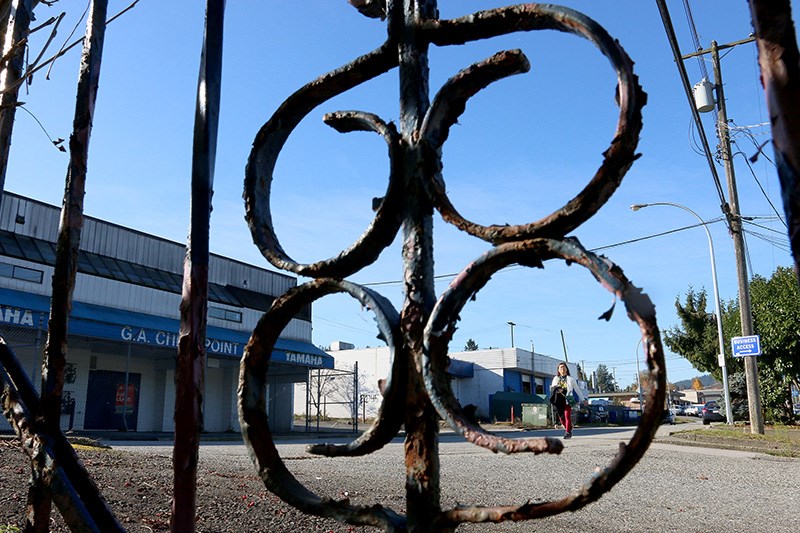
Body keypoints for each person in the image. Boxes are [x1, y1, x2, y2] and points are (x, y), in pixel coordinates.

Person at [549, 362, 587, 439]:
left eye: (564, 367)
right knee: (561, 418)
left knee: (567, 416)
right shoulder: (556, 379)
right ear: (558, 370)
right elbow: (552, 388)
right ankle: (569, 427)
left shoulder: (571, 379)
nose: (562, 369)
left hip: (567, 400)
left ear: (566, 369)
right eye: (560, 367)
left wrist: (583, 399)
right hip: (559, 400)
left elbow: (577, 390)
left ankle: (568, 432)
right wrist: (557, 389)